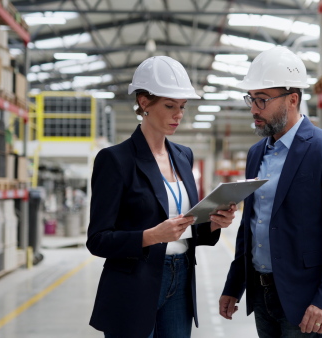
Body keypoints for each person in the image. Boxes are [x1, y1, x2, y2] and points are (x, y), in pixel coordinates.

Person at [87, 55, 237, 338]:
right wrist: (150, 236)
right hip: (134, 283)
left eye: (182, 106)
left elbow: (185, 230)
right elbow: (97, 240)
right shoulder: (115, 160)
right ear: (144, 102)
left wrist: (214, 223)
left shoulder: (183, 156)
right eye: (169, 106)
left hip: (181, 279)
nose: (178, 114)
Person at [218, 46, 322, 337]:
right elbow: (252, 224)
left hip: (308, 301)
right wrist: (235, 285)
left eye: (262, 100)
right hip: (261, 294)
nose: (254, 109)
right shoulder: (256, 153)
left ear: (292, 99)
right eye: (251, 99)